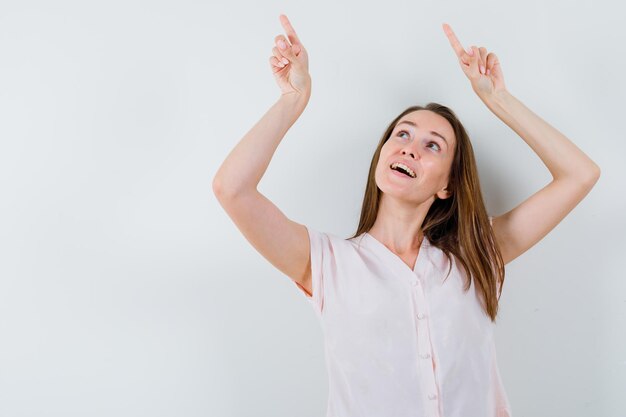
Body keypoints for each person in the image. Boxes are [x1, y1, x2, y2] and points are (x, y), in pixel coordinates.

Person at [212, 14, 601, 417]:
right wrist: (293, 99)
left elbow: (580, 174)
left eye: (433, 145)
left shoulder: (476, 254)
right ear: (381, 156)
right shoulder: (327, 263)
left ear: (446, 186)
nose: (410, 147)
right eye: (402, 134)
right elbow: (232, 189)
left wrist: (498, 99)